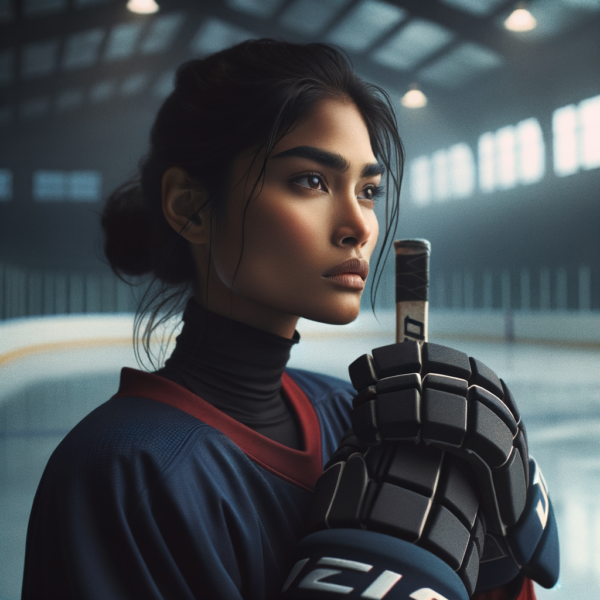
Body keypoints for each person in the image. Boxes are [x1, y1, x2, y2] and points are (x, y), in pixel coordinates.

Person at [22, 40, 557, 600]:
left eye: (369, 190)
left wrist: (495, 563)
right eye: (311, 181)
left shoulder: (367, 420)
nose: (359, 224)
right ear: (190, 207)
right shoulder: (121, 475)